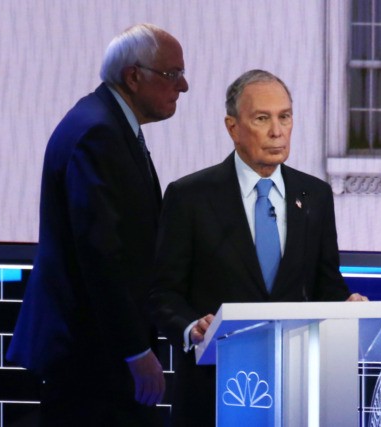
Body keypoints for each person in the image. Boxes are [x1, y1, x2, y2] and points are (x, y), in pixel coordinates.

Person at [149, 69, 367, 427]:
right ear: (232, 127)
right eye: (262, 119)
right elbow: (162, 294)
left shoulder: (314, 196)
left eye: (285, 117)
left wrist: (347, 306)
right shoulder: (189, 197)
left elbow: (325, 284)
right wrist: (191, 327)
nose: (277, 131)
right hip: (214, 391)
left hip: (295, 395)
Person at [6, 23, 188, 426]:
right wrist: (135, 351)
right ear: (133, 76)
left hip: (92, 354)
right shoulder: (98, 133)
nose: (184, 86)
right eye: (173, 74)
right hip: (89, 357)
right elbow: (101, 255)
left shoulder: (105, 123)